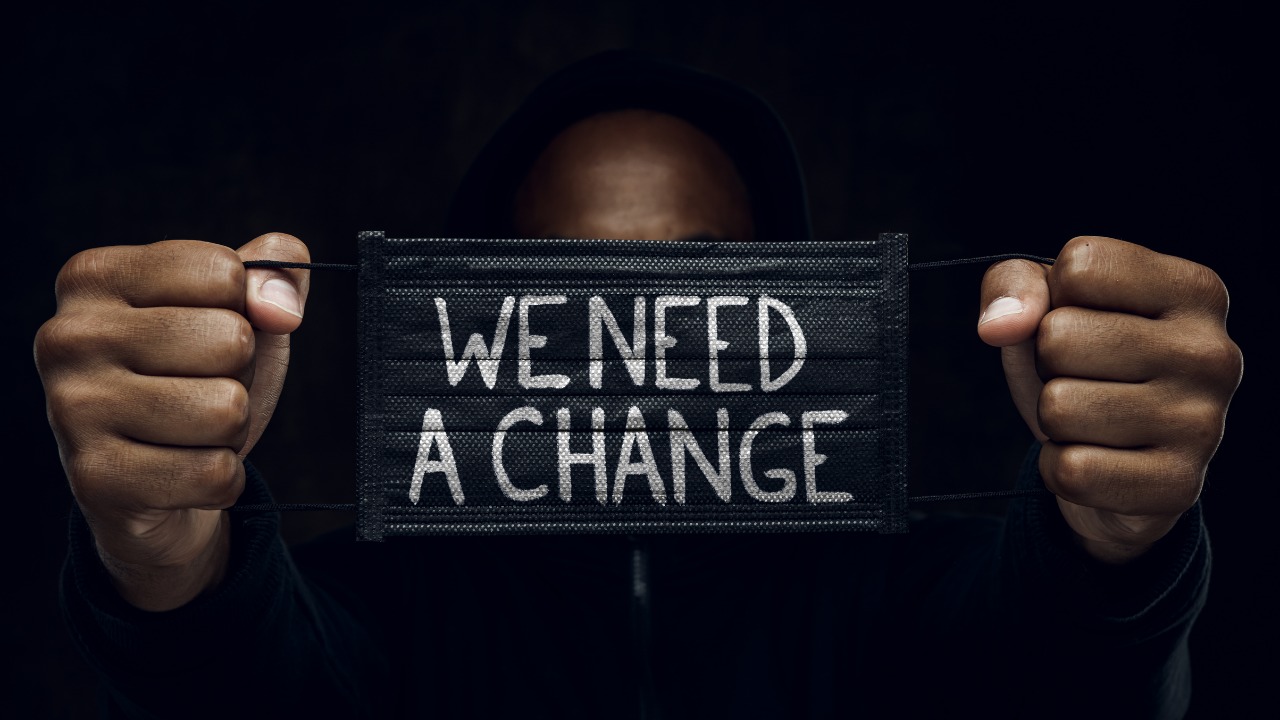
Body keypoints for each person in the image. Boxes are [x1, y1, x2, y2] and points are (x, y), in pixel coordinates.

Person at [36, 51, 1241, 718]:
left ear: (786, 303)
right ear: (485, 311)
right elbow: (252, 693)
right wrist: (169, 557)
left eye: (695, 277)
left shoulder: (902, 582)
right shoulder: (379, 603)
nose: (636, 332)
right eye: (572, 280)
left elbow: (1058, 671)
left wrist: (1113, 543)